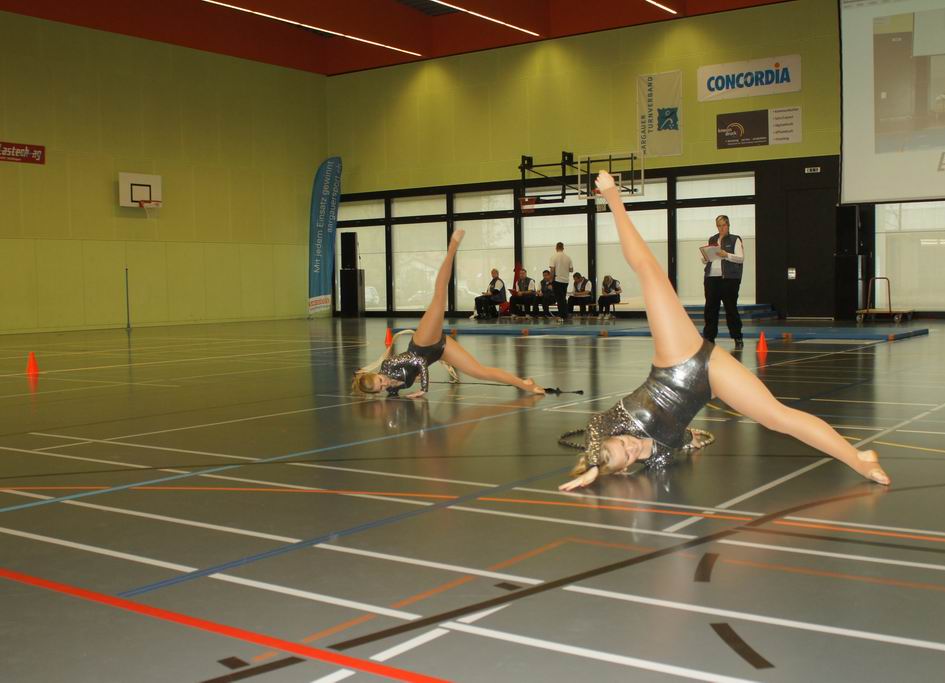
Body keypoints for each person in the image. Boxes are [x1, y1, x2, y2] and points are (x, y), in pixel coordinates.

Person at [558, 171, 890, 491]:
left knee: (649, 272)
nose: (629, 446)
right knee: (777, 417)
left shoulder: (613, 422)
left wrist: (593, 465)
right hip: (711, 379)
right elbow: (675, 438)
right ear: (626, 469)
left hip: (677, 360)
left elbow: (595, 428)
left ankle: (613, 198)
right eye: (628, 456)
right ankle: (859, 456)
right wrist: (688, 439)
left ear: (613, 437)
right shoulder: (657, 456)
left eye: (621, 443)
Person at [353, 230, 544, 398]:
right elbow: (403, 384)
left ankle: (452, 247)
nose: (384, 384)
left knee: (439, 297)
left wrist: (423, 388)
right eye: (381, 388)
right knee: (480, 372)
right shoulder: (391, 388)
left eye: (380, 380)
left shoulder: (388, 365)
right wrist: (406, 381)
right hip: (440, 351)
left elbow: (419, 360)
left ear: (377, 374)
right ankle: (525, 383)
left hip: (423, 343)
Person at [701, 214, 745, 349]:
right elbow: (709, 258)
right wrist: (705, 258)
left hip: (729, 279)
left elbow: (740, 258)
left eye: (723, 225)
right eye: (719, 226)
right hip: (711, 278)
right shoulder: (712, 239)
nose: (721, 228)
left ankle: (737, 336)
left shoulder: (735, 239)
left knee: (730, 308)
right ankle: (709, 337)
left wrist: (726, 255)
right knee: (710, 308)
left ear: (728, 225)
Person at [549, 242, 574, 320]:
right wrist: (564, 268)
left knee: (559, 299)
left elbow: (552, 270)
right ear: (563, 248)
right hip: (565, 280)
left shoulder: (553, 257)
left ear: (556, 248)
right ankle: (565, 314)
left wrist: (550, 280)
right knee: (563, 298)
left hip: (557, 280)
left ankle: (561, 315)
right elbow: (571, 270)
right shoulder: (568, 257)